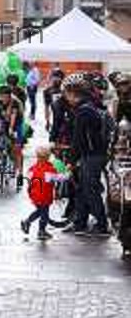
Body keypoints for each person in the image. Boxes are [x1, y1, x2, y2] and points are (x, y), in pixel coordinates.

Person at [62, 73, 110, 237]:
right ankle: (80, 223)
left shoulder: (83, 111)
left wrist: (71, 161)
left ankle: (103, 225)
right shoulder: (89, 106)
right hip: (94, 154)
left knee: (90, 190)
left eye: (66, 94)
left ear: (72, 93)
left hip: (92, 155)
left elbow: (78, 139)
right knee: (83, 189)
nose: (65, 97)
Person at [20, 146, 61, 240]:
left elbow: (28, 177)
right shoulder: (49, 171)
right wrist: (68, 175)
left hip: (34, 195)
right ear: (48, 158)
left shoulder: (33, 169)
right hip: (45, 196)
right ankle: (41, 231)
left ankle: (27, 222)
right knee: (44, 214)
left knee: (39, 211)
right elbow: (59, 178)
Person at [0, 85, 25, 188]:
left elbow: (13, 117)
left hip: (16, 125)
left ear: (9, 96)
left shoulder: (15, 103)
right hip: (3, 123)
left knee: (17, 148)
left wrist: (11, 129)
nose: (4, 99)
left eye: (6, 96)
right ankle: (0, 159)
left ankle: (20, 173)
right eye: (2, 96)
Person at [43, 68, 65, 133]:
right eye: (55, 76)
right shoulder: (47, 91)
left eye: (59, 77)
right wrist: (47, 121)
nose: (57, 79)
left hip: (66, 119)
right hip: (55, 119)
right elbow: (46, 107)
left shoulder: (66, 89)